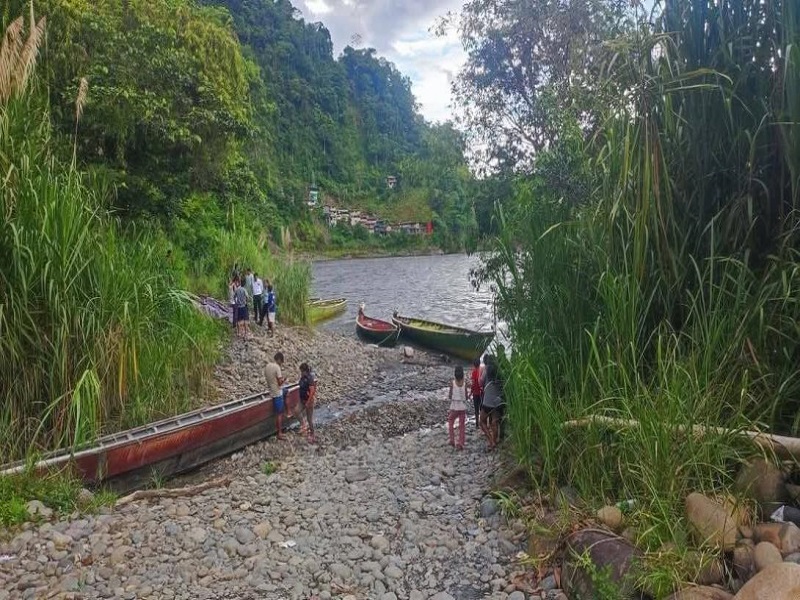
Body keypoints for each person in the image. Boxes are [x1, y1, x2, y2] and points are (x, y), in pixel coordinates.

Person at [480, 361, 503, 451]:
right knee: (494, 423)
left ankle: (491, 441)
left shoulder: (487, 370)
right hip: (498, 402)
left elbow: (481, 382)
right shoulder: (500, 373)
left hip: (487, 401)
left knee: (482, 421)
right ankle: (494, 440)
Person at [266, 352, 286, 440]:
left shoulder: (267, 366)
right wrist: (284, 379)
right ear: (279, 359)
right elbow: (279, 383)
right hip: (277, 393)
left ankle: (288, 411)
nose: (281, 363)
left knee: (287, 392)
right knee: (279, 414)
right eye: (281, 362)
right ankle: (279, 433)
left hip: (271, 392)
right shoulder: (277, 367)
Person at [447, 365, 468, 450]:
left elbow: (449, 396)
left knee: (451, 420)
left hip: (455, 406)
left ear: (455, 374)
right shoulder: (465, 383)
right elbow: (466, 396)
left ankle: (452, 440)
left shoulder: (452, 383)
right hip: (462, 407)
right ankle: (461, 443)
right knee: (462, 425)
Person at [298, 362, 317, 443]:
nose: (301, 373)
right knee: (296, 411)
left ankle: (313, 434)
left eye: (301, 371)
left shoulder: (310, 378)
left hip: (309, 401)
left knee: (309, 419)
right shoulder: (302, 377)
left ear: (305, 371)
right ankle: (303, 425)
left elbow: (312, 391)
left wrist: (308, 402)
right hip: (302, 400)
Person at [469, 357, 483, 429]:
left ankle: (477, 424)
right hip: (481, 392)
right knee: (481, 408)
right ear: (480, 363)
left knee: (476, 409)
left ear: (474, 364)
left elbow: (473, 383)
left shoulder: (474, 371)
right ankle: (482, 422)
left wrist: (470, 392)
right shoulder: (481, 370)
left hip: (475, 393)